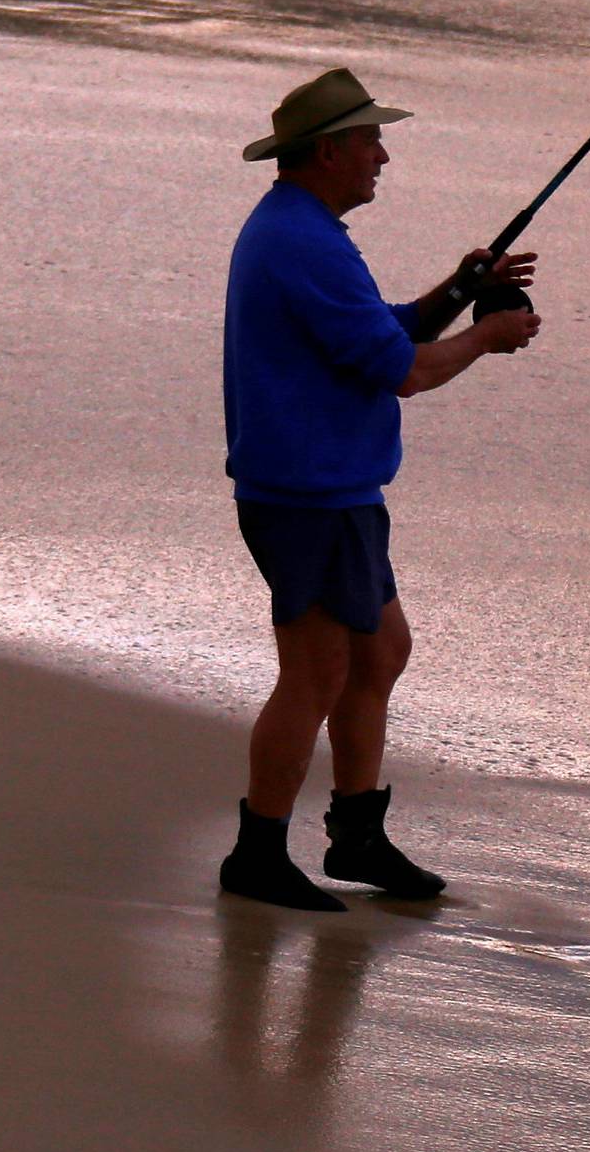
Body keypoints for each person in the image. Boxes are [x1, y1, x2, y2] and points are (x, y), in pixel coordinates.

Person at [218, 65, 539, 911]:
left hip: (336, 490)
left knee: (380, 651)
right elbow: (405, 371)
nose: (382, 155)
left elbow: (378, 336)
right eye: (369, 141)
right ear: (328, 152)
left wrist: (459, 290)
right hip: (307, 494)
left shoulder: (303, 227)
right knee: (315, 674)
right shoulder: (303, 242)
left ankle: (357, 836)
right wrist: (489, 337)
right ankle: (257, 853)